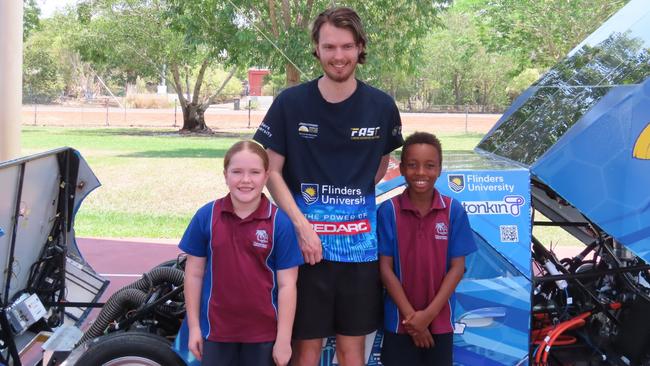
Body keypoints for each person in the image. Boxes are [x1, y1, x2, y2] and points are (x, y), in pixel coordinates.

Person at [253, 6, 403, 366]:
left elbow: (380, 167)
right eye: (330, 47)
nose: (339, 56)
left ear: (360, 48)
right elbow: (270, 172)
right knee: (306, 350)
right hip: (304, 250)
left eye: (347, 47)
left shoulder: (382, 107)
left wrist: (349, 205)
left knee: (353, 352)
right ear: (316, 49)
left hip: (360, 251)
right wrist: (303, 227)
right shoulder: (290, 103)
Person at [180, 140, 303, 366]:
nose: (245, 180)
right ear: (225, 175)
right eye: (237, 172)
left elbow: (287, 285)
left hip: (264, 336)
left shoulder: (279, 223)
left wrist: (284, 340)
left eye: (254, 172)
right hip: (216, 333)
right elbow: (194, 275)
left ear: (266, 177)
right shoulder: (206, 216)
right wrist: (194, 327)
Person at [377, 132, 477, 366]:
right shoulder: (388, 211)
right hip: (399, 322)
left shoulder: (453, 211)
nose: (421, 172)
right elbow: (385, 270)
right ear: (401, 169)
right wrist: (413, 321)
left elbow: (457, 268)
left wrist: (428, 316)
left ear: (440, 169)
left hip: (440, 322)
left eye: (429, 166)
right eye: (412, 165)